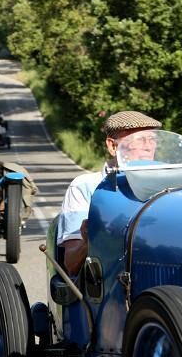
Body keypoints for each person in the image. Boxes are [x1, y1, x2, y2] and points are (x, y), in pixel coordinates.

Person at [58, 110, 160, 274]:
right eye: (139, 139)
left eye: (153, 139)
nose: (149, 147)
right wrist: (88, 241)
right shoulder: (85, 186)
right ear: (113, 146)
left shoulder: (168, 184)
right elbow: (70, 263)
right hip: (106, 281)